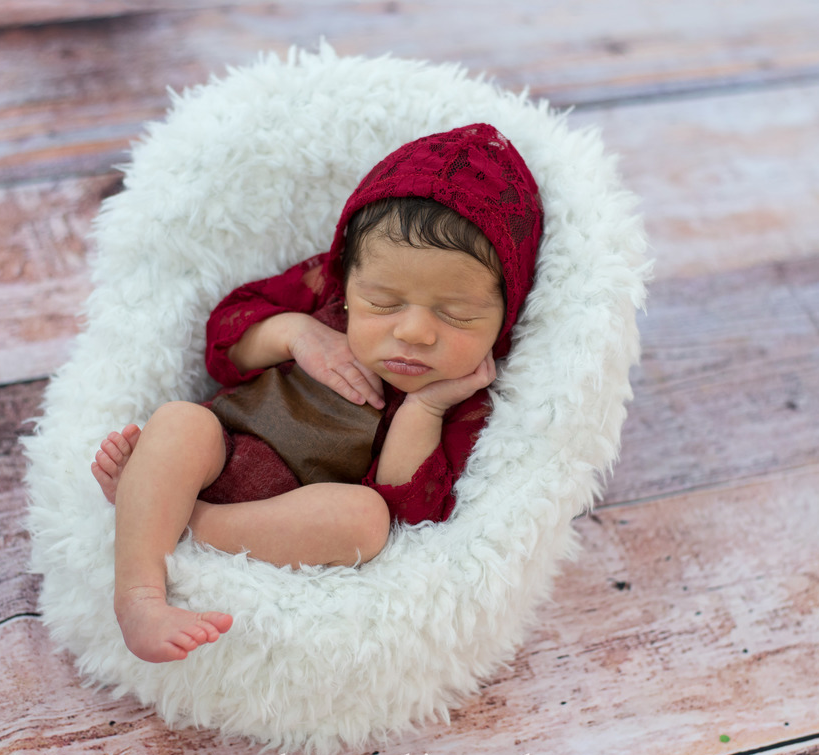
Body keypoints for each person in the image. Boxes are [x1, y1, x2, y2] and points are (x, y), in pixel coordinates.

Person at [89, 123, 543, 663]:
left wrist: (425, 407)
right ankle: (140, 596)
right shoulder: (321, 293)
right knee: (181, 421)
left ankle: (175, 514)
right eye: (382, 304)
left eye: (457, 315)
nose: (414, 332)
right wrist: (296, 333)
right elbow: (225, 338)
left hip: (296, 515)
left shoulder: (467, 400)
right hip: (224, 450)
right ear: (347, 281)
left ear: (504, 318)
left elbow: (413, 512)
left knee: (366, 522)